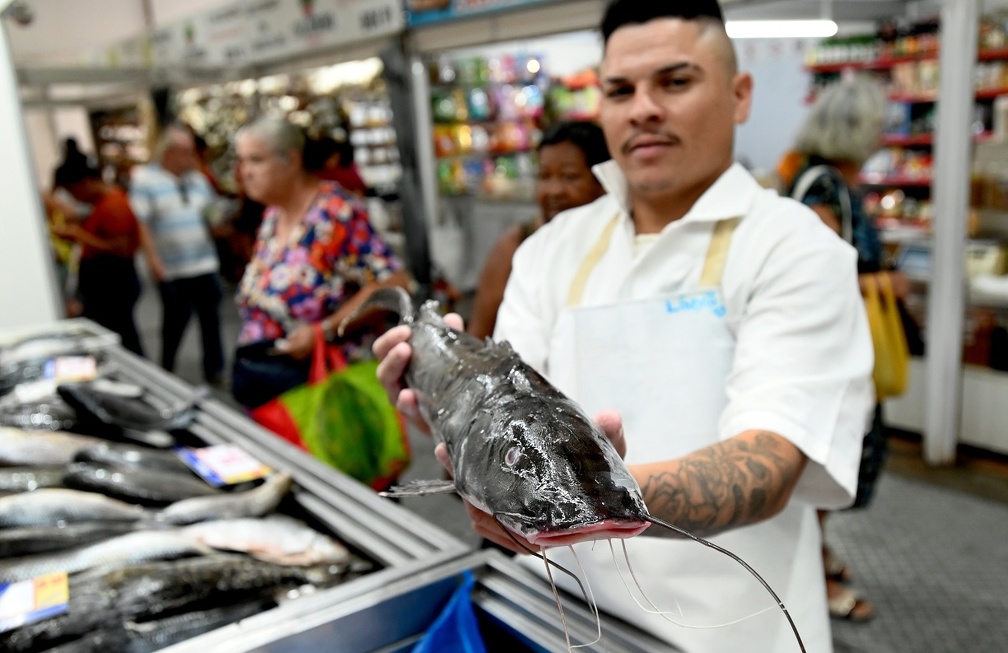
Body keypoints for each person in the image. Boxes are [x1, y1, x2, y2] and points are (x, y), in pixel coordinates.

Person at [374, 2, 874, 651]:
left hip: (731, 631)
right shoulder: (550, 248)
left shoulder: (796, 247)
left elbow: (769, 462)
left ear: (738, 93)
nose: (642, 108)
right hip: (555, 617)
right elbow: (500, 418)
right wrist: (444, 411)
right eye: (619, 90)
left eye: (674, 81)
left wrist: (579, 496)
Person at [779, 75, 910, 623]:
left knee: (849, 455)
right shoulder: (823, 187)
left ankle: (818, 553)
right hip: (827, 352)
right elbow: (815, 276)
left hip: (846, 347)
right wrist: (881, 283)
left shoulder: (833, 184)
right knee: (826, 457)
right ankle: (808, 570)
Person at [230, 116, 410, 410]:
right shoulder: (274, 214)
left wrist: (324, 330)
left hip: (322, 388)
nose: (244, 172)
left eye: (255, 160)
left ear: (291, 159)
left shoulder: (334, 213)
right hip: (274, 382)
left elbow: (393, 282)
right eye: (241, 161)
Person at [467, 120, 610, 339]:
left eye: (569, 177)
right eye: (544, 176)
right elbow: (478, 335)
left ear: (602, 181)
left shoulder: (617, 240)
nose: (554, 190)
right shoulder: (517, 244)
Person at [128, 123, 226, 385]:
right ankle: (167, 366)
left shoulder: (198, 179)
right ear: (169, 152)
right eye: (185, 152)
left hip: (204, 262)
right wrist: (154, 263)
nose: (190, 158)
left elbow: (211, 214)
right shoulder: (145, 179)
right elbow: (142, 225)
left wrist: (219, 220)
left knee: (210, 320)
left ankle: (214, 369)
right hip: (172, 266)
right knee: (174, 322)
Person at [52, 159, 144, 355]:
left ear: (85, 183)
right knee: (119, 337)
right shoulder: (101, 203)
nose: (75, 198)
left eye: (73, 192)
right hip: (106, 284)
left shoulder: (113, 204)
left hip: (113, 284)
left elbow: (122, 248)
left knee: (123, 339)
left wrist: (80, 235)